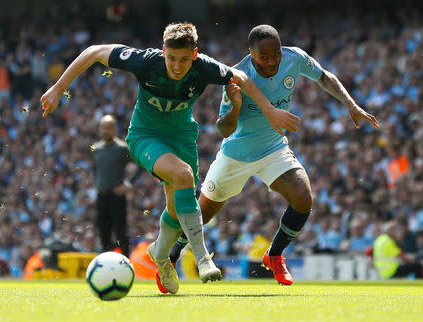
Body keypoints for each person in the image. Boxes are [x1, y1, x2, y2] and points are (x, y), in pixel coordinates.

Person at [40, 22, 301, 294]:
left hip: (182, 138)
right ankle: (202, 257)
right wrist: (59, 88)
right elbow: (94, 51)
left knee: (177, 211)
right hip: (145, 136)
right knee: (184, 175)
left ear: (195, 54)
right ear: (163, 50)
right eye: (172, 58)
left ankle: (161, 257)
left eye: (185, 60)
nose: (177, 66)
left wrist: (269, 111)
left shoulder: (205, 68)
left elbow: (243, 78)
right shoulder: (145, 62)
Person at [158, 24, 379, 291]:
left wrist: (351, 105)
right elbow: (223, 128)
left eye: (275, 53)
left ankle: (274, 255)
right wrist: (236, 106)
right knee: (200, 215)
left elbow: (324, 77)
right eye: (264, 56)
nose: (272, 61)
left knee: (303, 199)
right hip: (236, 155)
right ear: (251, 55)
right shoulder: (236, 76)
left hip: (274, 148)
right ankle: (170, 257)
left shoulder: (294, 57)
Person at [92, 114, 139, 256]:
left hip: (116, 196)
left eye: (108, 128)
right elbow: (95, 169)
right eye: (103, 128)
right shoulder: (96, 149)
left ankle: (126, 263)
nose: (105, 131)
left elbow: (140, 165)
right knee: (103, 233)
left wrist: (128, 184)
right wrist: (97, 184)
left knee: (121, 232)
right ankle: (107, 266)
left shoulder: (122, 148)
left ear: (114, 129)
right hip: (101, 196)